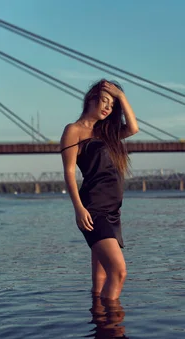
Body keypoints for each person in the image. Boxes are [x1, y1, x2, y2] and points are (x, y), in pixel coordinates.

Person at [60, 79, 139, 300]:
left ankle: (98, 319)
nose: (107, 107)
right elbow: (68, 172)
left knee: (101, 278)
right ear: (91, 99)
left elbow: (133, 128)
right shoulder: (73, 130)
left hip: (113, 210)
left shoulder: (106, 132)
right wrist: (78, 209)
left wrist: (121, 97)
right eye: (104, 101)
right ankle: (111, 329)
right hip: (94, 208)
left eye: (112, 105)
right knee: (119, 272)